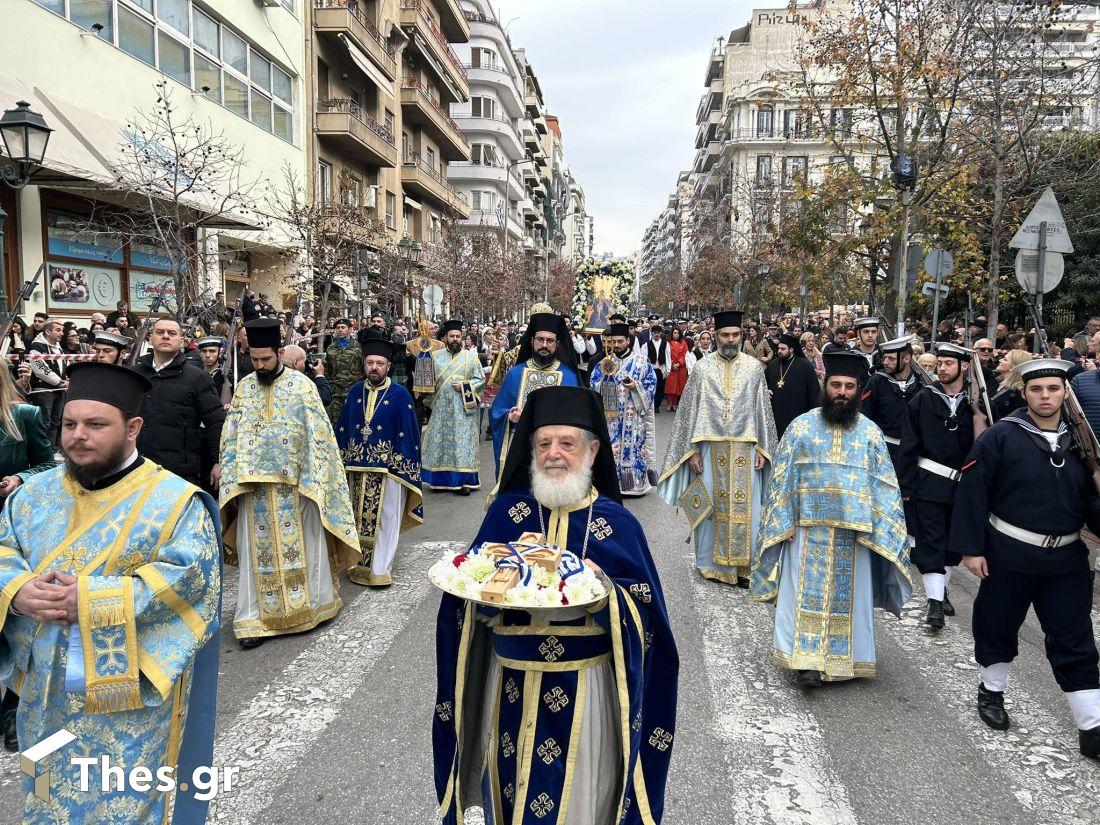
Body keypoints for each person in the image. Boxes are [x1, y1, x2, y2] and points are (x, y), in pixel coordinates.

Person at [433, 386, 678, 824]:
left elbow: (649, 621)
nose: (554, 454)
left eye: (567, 443)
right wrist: (482, 600)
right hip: (511, 685)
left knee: (580, 800)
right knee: (509, 791)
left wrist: (604, 594)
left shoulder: (616, 524)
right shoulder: (506, 513)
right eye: (544, 443)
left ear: (592, 450)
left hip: (587, 689)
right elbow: (470, 594)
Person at [0, 362, 221, 822]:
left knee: (119, 809)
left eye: (96, 425)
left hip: (128, 707)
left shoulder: (175, 502)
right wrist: (16, 590)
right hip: (42, 698)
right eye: (69, 424)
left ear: (133, 427)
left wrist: (94, 600)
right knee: (41, 800)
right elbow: (3, 551)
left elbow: (193, 579)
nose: (78, 436)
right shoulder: (29, 496)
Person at [948, 358, 1100, 760]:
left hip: (1066, 560)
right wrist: (972, 548)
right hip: (1008, 555)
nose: (1045, 396)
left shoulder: (1083, 443)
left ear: (1065, 392)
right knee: (997, 627)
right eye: (1037, 389)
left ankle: (1092, 725)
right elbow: (973, 491)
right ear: (1025, 392)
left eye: (1053, 389)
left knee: (1075, 639)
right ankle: (992, 691)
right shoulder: (1001, 437)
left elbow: (1090, 504)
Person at [750, 350, 910, 687]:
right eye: (835, 384)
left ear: (858, 389)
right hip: (807, 530)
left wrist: (882, 529)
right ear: (825, 386)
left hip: (855, 534)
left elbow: (884, 488)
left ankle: (843, 661)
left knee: (850, 599)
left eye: (849, 386)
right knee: (801, 596)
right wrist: (784, 521)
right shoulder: (801, 426)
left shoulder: (870, 434)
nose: (841, 392)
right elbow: (782, 479)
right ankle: (805, 661)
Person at [219, 319, 360, 649]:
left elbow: (318, 437)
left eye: (266, 359)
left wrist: (314, 479)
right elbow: (231, 437)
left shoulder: (302, 386)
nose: (259, 366)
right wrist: (230, 481)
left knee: (304, 547)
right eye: (254, 359)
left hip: (295, 488)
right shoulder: (245, 388)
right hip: (254, 490)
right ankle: (254, 620)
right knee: (258, 556)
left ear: (280, 352)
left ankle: (310, 609)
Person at [658, 311, 778, 587]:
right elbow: (690, 413)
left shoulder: (753, 368)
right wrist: (693, 451)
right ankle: (711, 565)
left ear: (741, 335)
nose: (730, 340)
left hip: (745, 450)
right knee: (711, 508)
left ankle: (745, 567)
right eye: (725, 335)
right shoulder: (702, 368)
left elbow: (763, 413)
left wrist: (762, 448)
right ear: (716, 336)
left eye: (735, 335)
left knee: (749, 511)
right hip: (711, 450)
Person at [336, 333, 423, 586]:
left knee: (385, 519)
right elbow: (344, 429)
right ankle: (357, 565)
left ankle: (381, 568)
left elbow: (409, 436)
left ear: (388, 366)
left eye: (379, 363)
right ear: (365, 364)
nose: (374, 367)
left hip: (389, 471)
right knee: (357, 518)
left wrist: (400, 467)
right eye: (370, 362)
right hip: (357, 469)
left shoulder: (400, 396)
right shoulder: (354, 392)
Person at [898, 342, 974, 629]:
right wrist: (905, 486)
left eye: (948, 364)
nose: (941, 369)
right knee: (931, 541)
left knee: (953, 545)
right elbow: (909, 444)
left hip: (962, 488)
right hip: (928, 483)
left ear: (963, 367)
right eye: (939, 363)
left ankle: (942, 591)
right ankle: (934, 603)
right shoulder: (922, 399)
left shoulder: (976, 403)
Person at [0, 366, 55, 751]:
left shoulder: (24, 415)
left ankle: (14, 704)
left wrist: (21, 479)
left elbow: (49, 466)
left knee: (15, 618)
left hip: (12, 527)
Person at [132, 319, 225, 492]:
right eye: (160, 332)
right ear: (151, 337)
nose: (166, 336)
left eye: (172, 333)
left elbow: (216, 423)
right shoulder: (135, 375)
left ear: (181, 341)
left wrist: (218, 461)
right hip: (136, 467)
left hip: (179, 472)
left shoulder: (197, 378)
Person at [489, 312, 581, 479]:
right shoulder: (515, 374)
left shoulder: (569, 377)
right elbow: (497, 411)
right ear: (532, 341)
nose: (544, 345)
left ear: (557, 344)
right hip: (520, 448)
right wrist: (509, 417)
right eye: (540, 340)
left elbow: (577, 420)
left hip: (555, 452)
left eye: (550, 340)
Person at [590, 322, 658, 496]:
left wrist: (636, 386)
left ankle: (634, 485)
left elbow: (651, 385)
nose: (617, 345)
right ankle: (611, 485)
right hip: (611, 419)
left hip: (633, 419)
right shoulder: (605, 363)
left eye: (620, 341)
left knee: (635, 450)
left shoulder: (642, 363)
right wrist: (605, 382)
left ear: (628, 340)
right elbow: (593, 386)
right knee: (610, 451)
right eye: (613, 342)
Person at [421, 319, 485, 495]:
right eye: (452, 336)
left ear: (462, 338)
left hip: (463, 410)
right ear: (445, 337)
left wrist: (465, 385)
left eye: (458, 336)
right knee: (441, 443)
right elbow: (428, 384)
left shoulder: (471, 357)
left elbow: (480, 380)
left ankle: (463, 482)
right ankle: (438, 479)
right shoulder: (435, 356)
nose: (455, 339)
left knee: (462, 445)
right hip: (441, 409)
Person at [861, 336, 922, 469]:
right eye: (885, 358)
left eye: (892, 359)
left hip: (912, 452)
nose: (886, 362)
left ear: (907, 359)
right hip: (883, 450)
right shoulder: (877, 381)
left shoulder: (920, 383)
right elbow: (864, 415)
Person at [764, 332, 820, 437]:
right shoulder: (773, 365)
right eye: (779, 348)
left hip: (797, 416)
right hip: (776, 416)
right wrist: (765, 392)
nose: (779, 351)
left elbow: (814, 393)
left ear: (791, 349)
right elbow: (763, 386)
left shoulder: (804, 365)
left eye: (783, 349)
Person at [323, 318, 363, 423]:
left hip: (354, 389)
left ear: (350, 330)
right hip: (336, 392)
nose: (340, 330)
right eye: (338, 328)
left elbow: (363, 367)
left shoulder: (358, 347)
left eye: (343, 327)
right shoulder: (331, 348)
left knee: (354, 421)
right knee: (337, 422)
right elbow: (328, 370)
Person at [990, 349, 1033, 423]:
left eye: (1005, 359)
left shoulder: (1019, 393)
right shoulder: (994, 382)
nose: (1000, 360)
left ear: (1014, 366)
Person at [663, 327, 691, 411]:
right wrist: (671, 364)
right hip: (671, 367)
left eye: (678, 333)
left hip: (680, 367)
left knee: (678, 387)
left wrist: (679, 363)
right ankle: (669, 403)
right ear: (672, 334)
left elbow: (685, 354)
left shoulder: (683, 343)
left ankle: (674, 404)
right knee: (670, 386)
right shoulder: (668, 343)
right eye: (674, 333)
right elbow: (667, 355)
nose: (676, 335)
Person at [850, 317, 882, 385]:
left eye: (873, 332)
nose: (870, 335)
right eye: (866, 332)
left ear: (877, 333)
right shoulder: (851, 357)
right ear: (859, 333)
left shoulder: (884, 356)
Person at [196, 335, 227, 400]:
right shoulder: (194, 374)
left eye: (212, 351)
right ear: (199, 353)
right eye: (204, 351)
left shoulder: (226, 376)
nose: (207, 355)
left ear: (220, 353)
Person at [646, 324, 668, 412]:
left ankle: (657, 406)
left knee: (660, 388)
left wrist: (668, 369)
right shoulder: (647, 344)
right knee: (651, 387)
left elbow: (668, 356)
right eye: (654, 333)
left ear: (660, 333)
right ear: (651, 333)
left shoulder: (665, 343)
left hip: (661, 368)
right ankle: (650, 405)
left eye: (658, 333)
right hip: (651, 368)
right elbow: (644, 357)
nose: (656, 335)